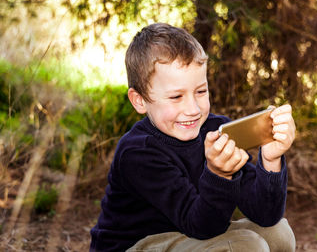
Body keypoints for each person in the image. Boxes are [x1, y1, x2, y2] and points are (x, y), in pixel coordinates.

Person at [90, 23, 296, 252]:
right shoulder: (137, 152)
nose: (193, 109)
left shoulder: (217, 131)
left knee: (279, 234)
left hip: (188, 235)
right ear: (139, 100)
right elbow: (201, 225)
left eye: (200, 91)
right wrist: (219, 175)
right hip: (137, 244)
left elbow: (265, 215)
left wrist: (270, 161)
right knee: (246, 246)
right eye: (176, 96)